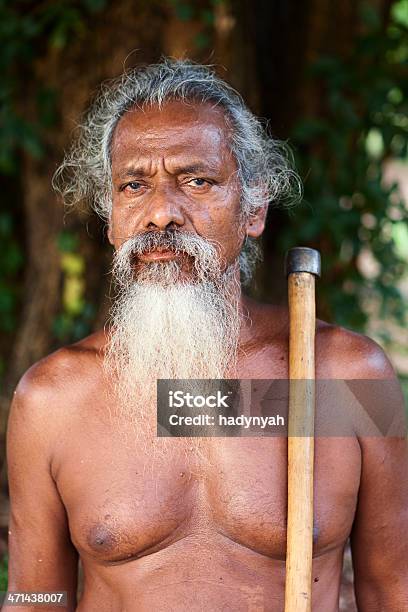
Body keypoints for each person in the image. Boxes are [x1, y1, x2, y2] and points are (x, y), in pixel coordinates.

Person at [5, 59, 408, 612]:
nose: (161, 214)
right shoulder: (51, 400)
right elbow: (35, 599)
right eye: (135, 185)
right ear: (111, 215)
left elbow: (394, 591)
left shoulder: (349, 379)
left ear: (255, 207)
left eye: (197, 180)